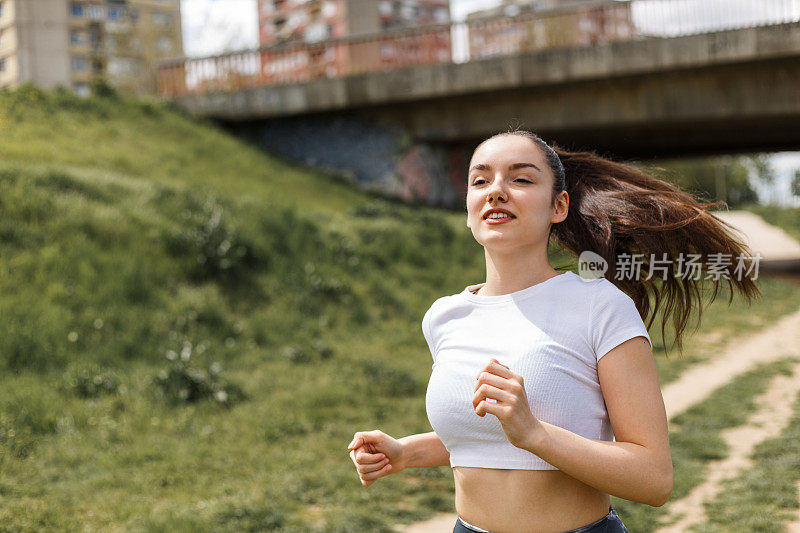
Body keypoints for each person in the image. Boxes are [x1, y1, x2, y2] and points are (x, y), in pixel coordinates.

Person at [347, 129, 759, 533]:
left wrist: (536, 433)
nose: (496, 191)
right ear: (469, 205)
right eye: (480, 180)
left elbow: (653, 479)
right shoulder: (444, 316)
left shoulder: (601, 306)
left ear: (558, 206)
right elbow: (487, 436)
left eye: (521, 179)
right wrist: (405, 452)